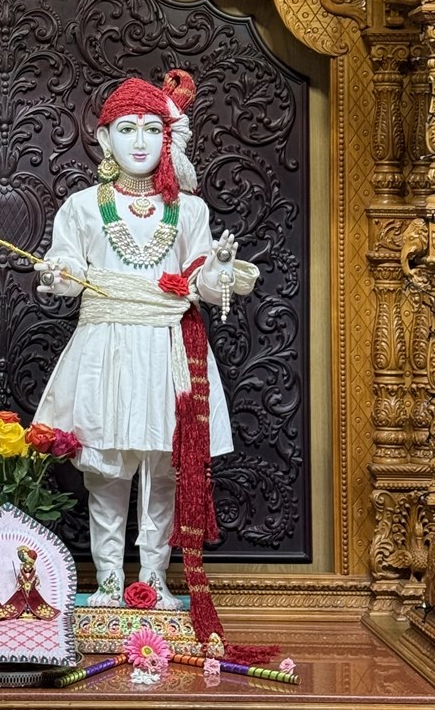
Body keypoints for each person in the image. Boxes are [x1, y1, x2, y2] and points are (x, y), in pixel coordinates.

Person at [33, 70, 258, 642]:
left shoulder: (190, 210)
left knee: (163, 467)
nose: (139, 141)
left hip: (167, 347)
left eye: (152, 129)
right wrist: (59, 274)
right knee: (106, 469)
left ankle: (154, 579)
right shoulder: (83, 206)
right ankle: (110, 581)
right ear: (104, 138)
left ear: (168, 138)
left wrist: (219, 269)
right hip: (105, 345)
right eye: (127, 129)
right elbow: (66, 272)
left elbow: (203, 283)